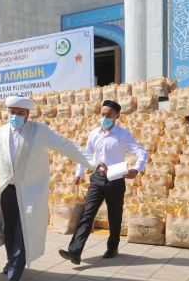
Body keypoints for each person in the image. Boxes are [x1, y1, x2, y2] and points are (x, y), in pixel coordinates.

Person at [0, 96, 100, 281]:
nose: (15, 116)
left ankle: (14, 273)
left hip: (31, 192)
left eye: (20, 113)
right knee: (9, 230)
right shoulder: (0, 133)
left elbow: (66, 145)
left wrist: (94, 163)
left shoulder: (39, 131)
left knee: (23, 230)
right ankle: (11, 261)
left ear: (27, 113)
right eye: (12, 112)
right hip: (7, 191)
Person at [58, 100, 148, 264]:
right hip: (97, 179)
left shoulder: (123, 135)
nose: (104, 117)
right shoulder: (94, 134)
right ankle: (75, 251)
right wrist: (79, 173)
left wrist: (136, 169)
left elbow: (141, 152)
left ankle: (112, 247)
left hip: (115, 179)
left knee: (114, 216)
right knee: (87, 214)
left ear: (117, 116)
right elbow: (86, 155)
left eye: (108, 114)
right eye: (102, 114)